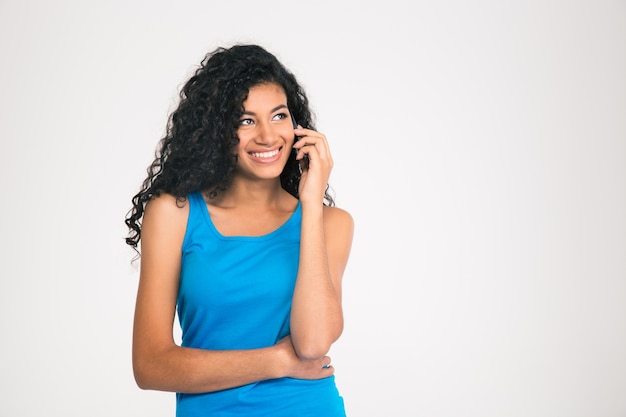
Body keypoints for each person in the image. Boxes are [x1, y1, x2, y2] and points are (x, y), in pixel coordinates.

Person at [124, 44, 354, 416]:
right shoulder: (175, 214)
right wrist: (277, 361)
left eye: (279, 116)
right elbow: (150, 365)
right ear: (216, 129)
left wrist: (310, 205)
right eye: (246, 120)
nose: (267, 136)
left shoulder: (331, 223)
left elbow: (312, 344)